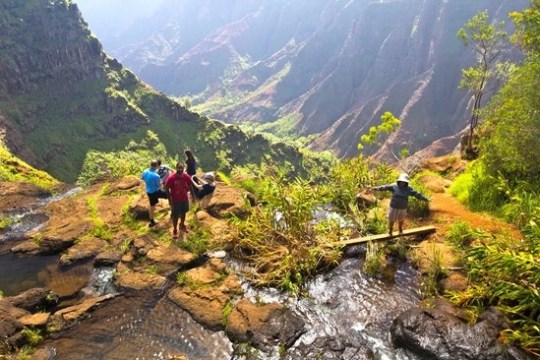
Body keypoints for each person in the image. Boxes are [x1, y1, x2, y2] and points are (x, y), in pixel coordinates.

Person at [164, 162, 194, 238]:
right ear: (176, 167)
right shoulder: (171, 177)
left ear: (183, 168)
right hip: (175, 200)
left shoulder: (186, 176)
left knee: (184, 213)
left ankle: (182, 225)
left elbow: (190, 186)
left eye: (182, 168)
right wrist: (169, 200)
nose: (180, 169)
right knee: (175, 216)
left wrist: (193, 196)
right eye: (179, 168)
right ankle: (174, 230)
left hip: (184, 199)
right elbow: (166, 188)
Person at [141, 159, 169, 227]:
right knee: (169, 195)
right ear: (156, 166)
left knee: (152, 205)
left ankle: (152, 221)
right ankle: (174, 212)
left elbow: (142, 178)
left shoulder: (145, 171)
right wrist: (164, 178)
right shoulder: (156, 176)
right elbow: (159, 185)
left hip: (149, 191)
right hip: (155, 192)